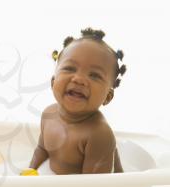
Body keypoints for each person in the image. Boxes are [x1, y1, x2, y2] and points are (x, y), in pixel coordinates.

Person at [28, 28, 125, 175]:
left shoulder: (98, 134)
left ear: (107, 97)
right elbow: (42, 150)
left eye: (94, 75)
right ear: (53, 82)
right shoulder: (49, 114)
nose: (79, 79)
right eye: (69, 68)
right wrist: (29, 172)